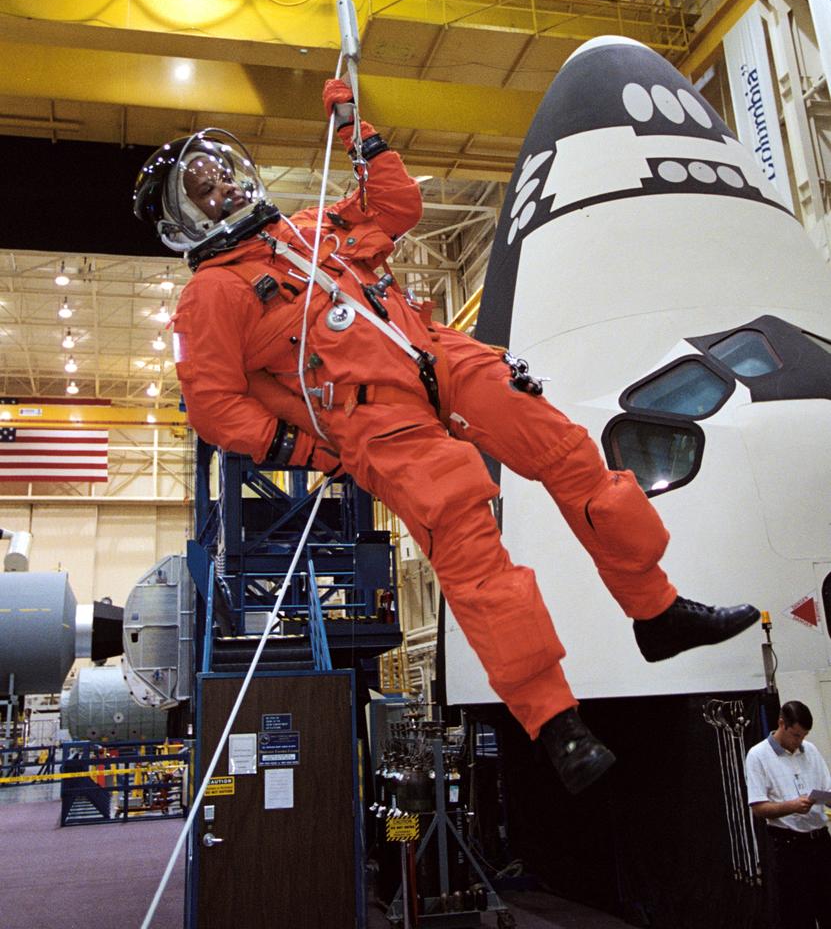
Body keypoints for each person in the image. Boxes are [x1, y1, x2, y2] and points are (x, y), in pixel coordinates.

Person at [133, 79, 760, 794]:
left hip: (436, 356)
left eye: (220, 172)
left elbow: (396, 207)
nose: (222, 186)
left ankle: (656, 610)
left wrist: (357, 129)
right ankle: (552, 719)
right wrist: (309, 450)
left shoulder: (307, 230)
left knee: (566, 451)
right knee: (469, 543)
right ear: (183, 222)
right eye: (203, 189)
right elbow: (214, 407)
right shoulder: (210, 297)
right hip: (376, 419)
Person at [746, 700, 831, 929]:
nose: (799, 741)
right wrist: (791, 806)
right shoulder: (758, 755)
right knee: (798, 914)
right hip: (789, 845)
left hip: (820, 840)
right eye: (795, 735)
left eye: (804, 736)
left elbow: (827, 789)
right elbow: (758, 808)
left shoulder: (810, 750)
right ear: (781, 723)